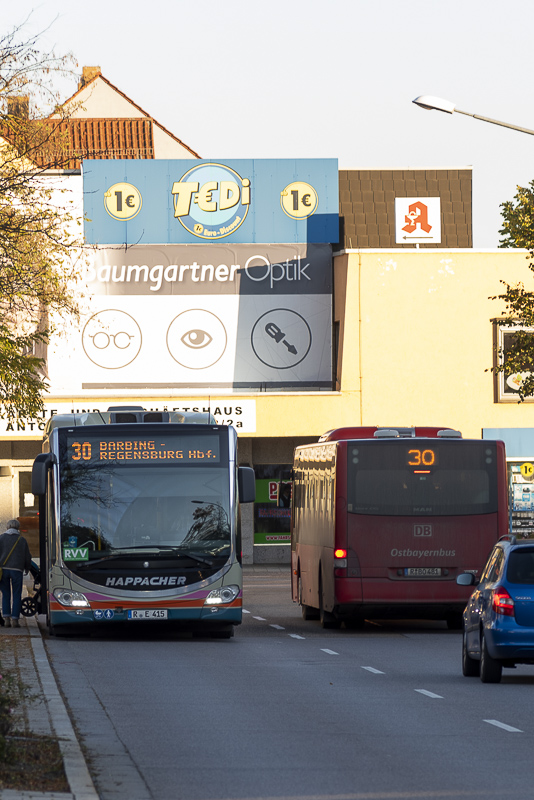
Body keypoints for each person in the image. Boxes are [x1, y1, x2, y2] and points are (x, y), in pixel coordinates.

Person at [0, 519, 32, 628]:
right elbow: (27, 556)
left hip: (3, 570)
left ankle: (6, 619)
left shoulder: (1, 538)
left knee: (6, 594)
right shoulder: (22, 540)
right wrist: (27, 568)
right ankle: (15, 620)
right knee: (17, 594)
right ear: (18, 527)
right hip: (17, 570)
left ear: (7, 527)